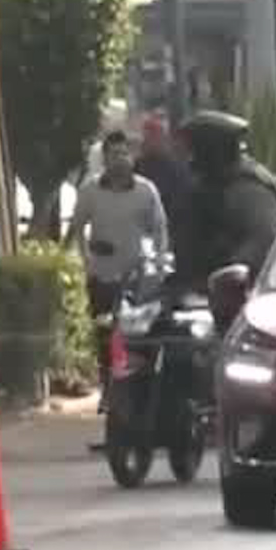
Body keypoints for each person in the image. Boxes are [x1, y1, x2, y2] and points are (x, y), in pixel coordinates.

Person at [66, 131, 171, 399]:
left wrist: (158, 263)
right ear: (105, 159)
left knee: (133, 336)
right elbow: (77, 226)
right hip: (102, 276)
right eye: (114, 154)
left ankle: (133, 389)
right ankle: (108, 388)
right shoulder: (91, 190)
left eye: (125, 153)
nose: (120, 159)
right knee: (103, 333)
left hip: (136, 280)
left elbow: (160, 229)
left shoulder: (146, 191)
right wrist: (85, 258)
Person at [178, 111, 276, 286]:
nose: (191, 158)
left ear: (212, 150)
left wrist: (230, 269)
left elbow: (263, 239)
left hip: (244, 289)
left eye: (196, 150)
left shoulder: (247, 188)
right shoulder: (210, 184)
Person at [134, 113, 193, 261]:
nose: (148, 140)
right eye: (147, 135)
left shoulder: (176, 169)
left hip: (167, 235)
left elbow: (180, 205)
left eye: (154, 135)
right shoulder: (136, 166)